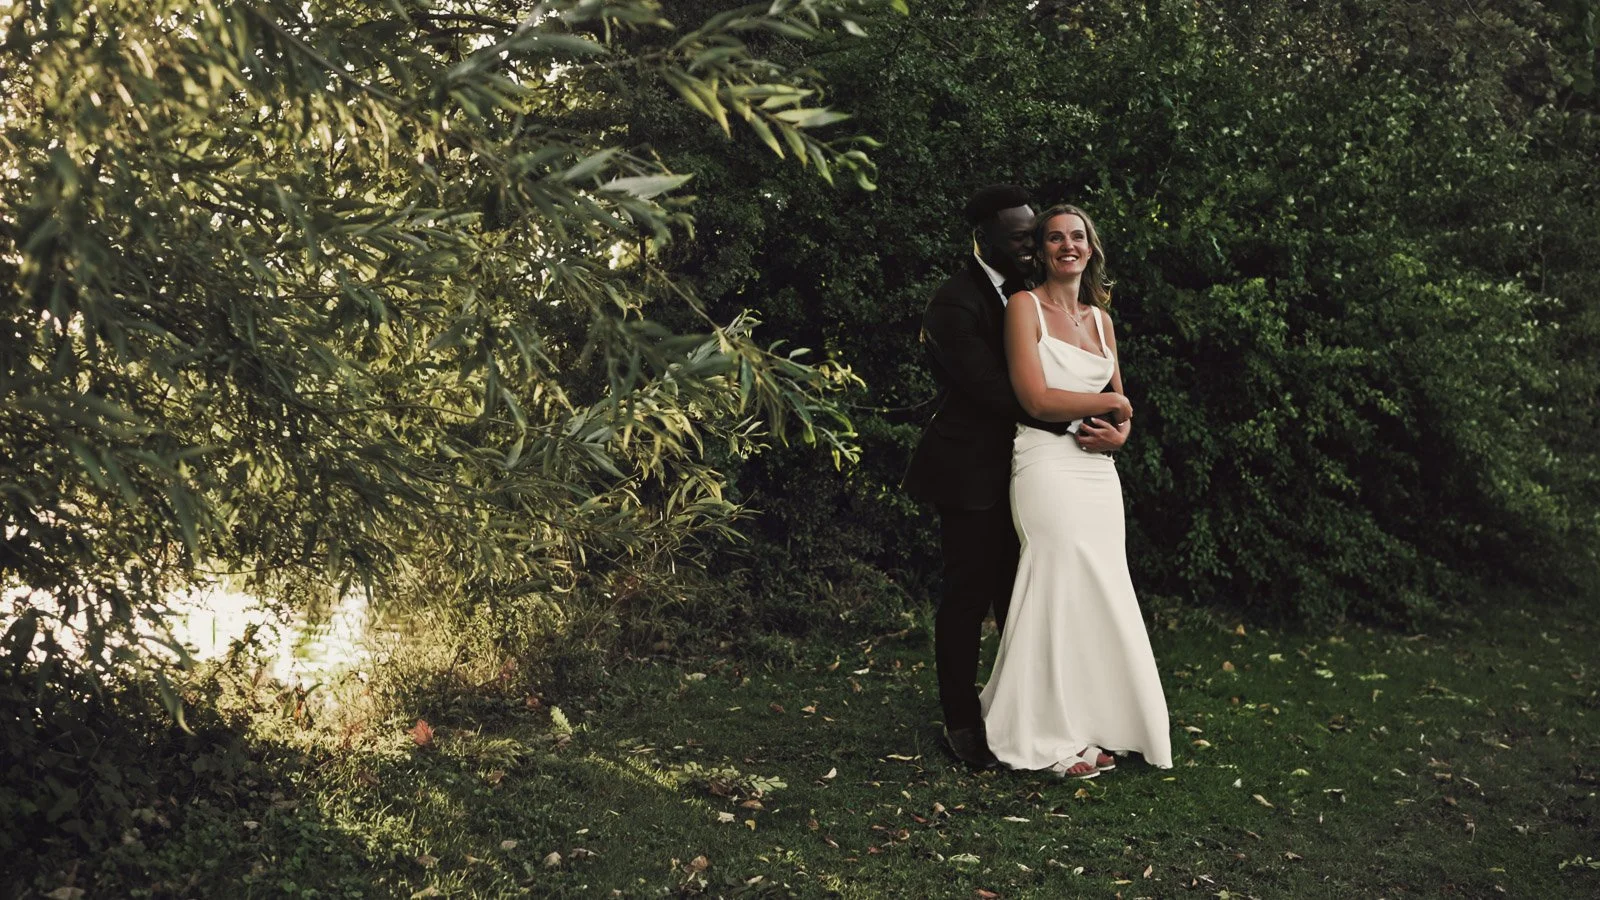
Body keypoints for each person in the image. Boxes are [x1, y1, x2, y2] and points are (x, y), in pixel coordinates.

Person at [904, 186, 1126, 769]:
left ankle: (1036, 715)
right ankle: (961, 720)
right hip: (973, 471)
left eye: (1037, 234)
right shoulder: (954, 303)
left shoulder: (1034, 294)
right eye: (1021, 237)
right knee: (968, 595)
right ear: (984, 238)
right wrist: (1092, 412)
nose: (1032, 245)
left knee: (1027, 598)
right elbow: (1000, 392)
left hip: (1037, 467)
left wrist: (1112, 423)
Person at [979, 204, 1173, 777]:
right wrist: (1113, 405)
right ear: (1040, 251)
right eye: (1056, 238)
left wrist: (1120, 432)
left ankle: (1092, 722)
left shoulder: (1101, 320)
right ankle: (1042, 731)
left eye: (1078, 237)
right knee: (1054, 583)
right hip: (1044, 464)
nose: (1068, 246)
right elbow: (1035, 399)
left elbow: (1120, 404)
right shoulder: (1024, 307)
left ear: (1091, 248)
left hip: (1096, 472)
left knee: (1100, 587)